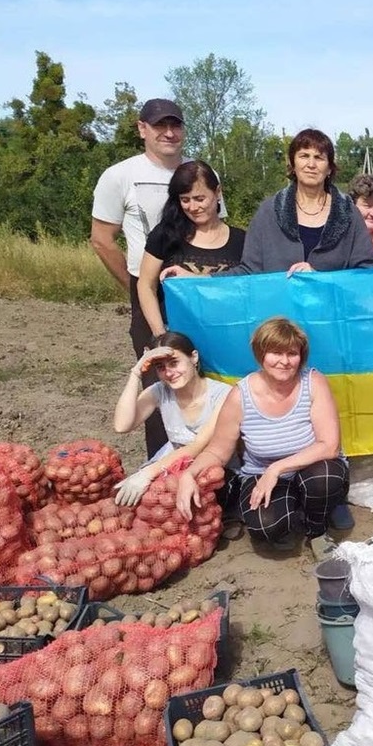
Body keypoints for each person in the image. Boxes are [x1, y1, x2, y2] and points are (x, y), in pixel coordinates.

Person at [176, 318, 351, 552]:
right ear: (261, 354)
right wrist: (189, 474)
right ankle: (296, 506)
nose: (284, 361)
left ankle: (317, 529)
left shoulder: (313, 382)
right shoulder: (240, 396)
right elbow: (218, 451)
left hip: (311, 468)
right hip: (260, 472)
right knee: (266, 527)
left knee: (325, 478)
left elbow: (329, 446)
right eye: (276, 353)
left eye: (292, 353)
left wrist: (276, 468)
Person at [90, 98, 199, 457]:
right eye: (159, 126)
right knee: (160, 376)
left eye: (176, 125)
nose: (169, 133)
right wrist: (136, 287)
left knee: (201, 372)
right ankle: (160, 465)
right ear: (142, 129)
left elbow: (212, 224)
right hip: (149, 292)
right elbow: (102, 240)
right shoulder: (120, 175)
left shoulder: (197, 172)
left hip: (195, 292)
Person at [214, 129, 373, 275]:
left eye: (319, 158)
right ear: (293, 164)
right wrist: (202, 282)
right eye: (304, 156)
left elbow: (367, 272)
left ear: (329, 169)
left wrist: (320, 280)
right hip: (279, 307)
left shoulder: (348, 213)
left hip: (331, 307)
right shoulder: (268, 211)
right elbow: (249, 271)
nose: (311, 164)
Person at [111, 331, 233, 507]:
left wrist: (148, 473)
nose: (169, 373)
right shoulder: (160, 391)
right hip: (171, 466)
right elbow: (122, 425)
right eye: (161, 367)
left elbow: (198, 445)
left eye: (174, 363)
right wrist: (136, 373)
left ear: (194, 357)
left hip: (212, 471)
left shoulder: (223, 395)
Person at [135, 161, 245, 336]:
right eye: (185, 200)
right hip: (175, 338)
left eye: (199, 199)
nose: (192, 208)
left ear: (217, 193)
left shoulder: (242, 240)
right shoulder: (165, 235)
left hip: (227, 337)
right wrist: (160, 335)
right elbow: (146, 285)